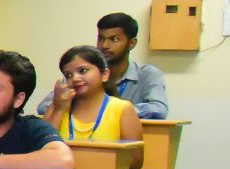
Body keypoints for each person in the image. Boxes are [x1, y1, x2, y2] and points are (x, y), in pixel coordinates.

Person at [37, 13, 171, 119]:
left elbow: (159, 109)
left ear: (132, 43)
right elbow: (44, 106)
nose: (104, 45)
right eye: (101, 38)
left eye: (114, 39)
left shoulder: (147, 74)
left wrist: (111, 111)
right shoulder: (82, 74)